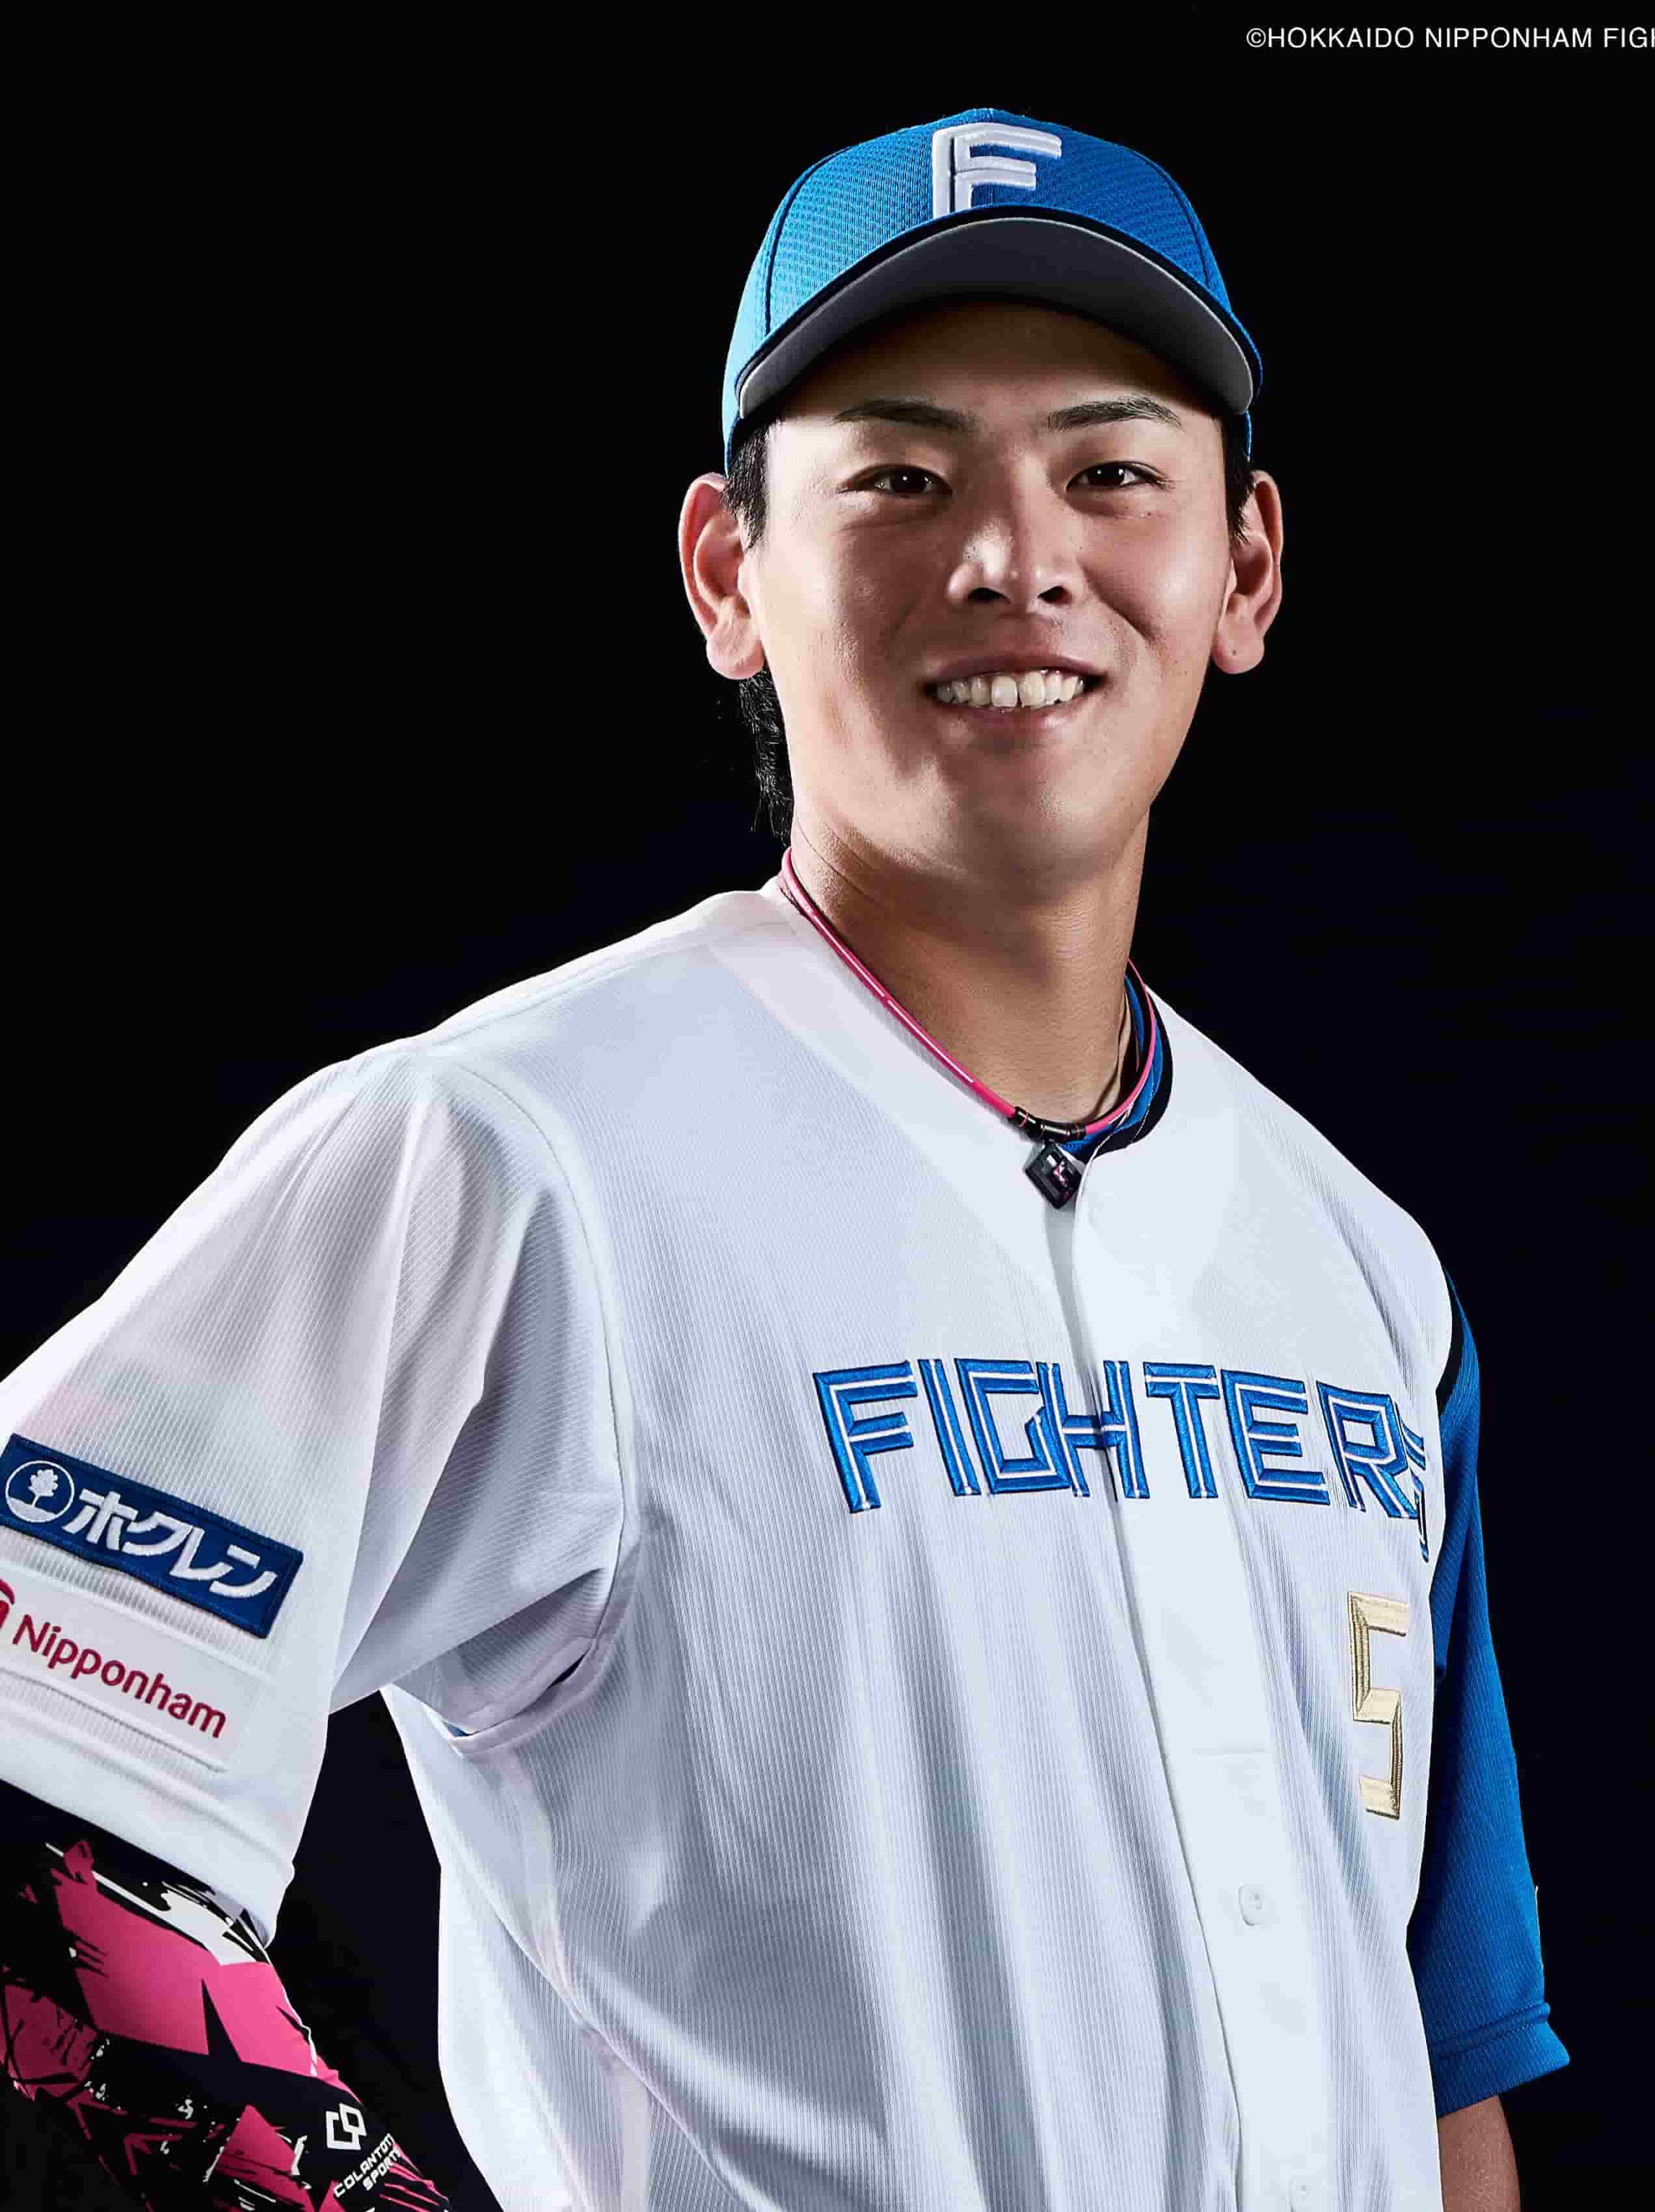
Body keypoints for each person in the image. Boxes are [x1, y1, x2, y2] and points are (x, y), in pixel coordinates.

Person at [1, 106, 1567, 2211]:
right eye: (900, 477)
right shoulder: (509, 1154)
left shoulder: (1359, 1264)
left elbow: (1434, 2048)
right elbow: (35, 1794)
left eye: (1109, 470)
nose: (1012, 554)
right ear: (728, 572)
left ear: (1245, 565)